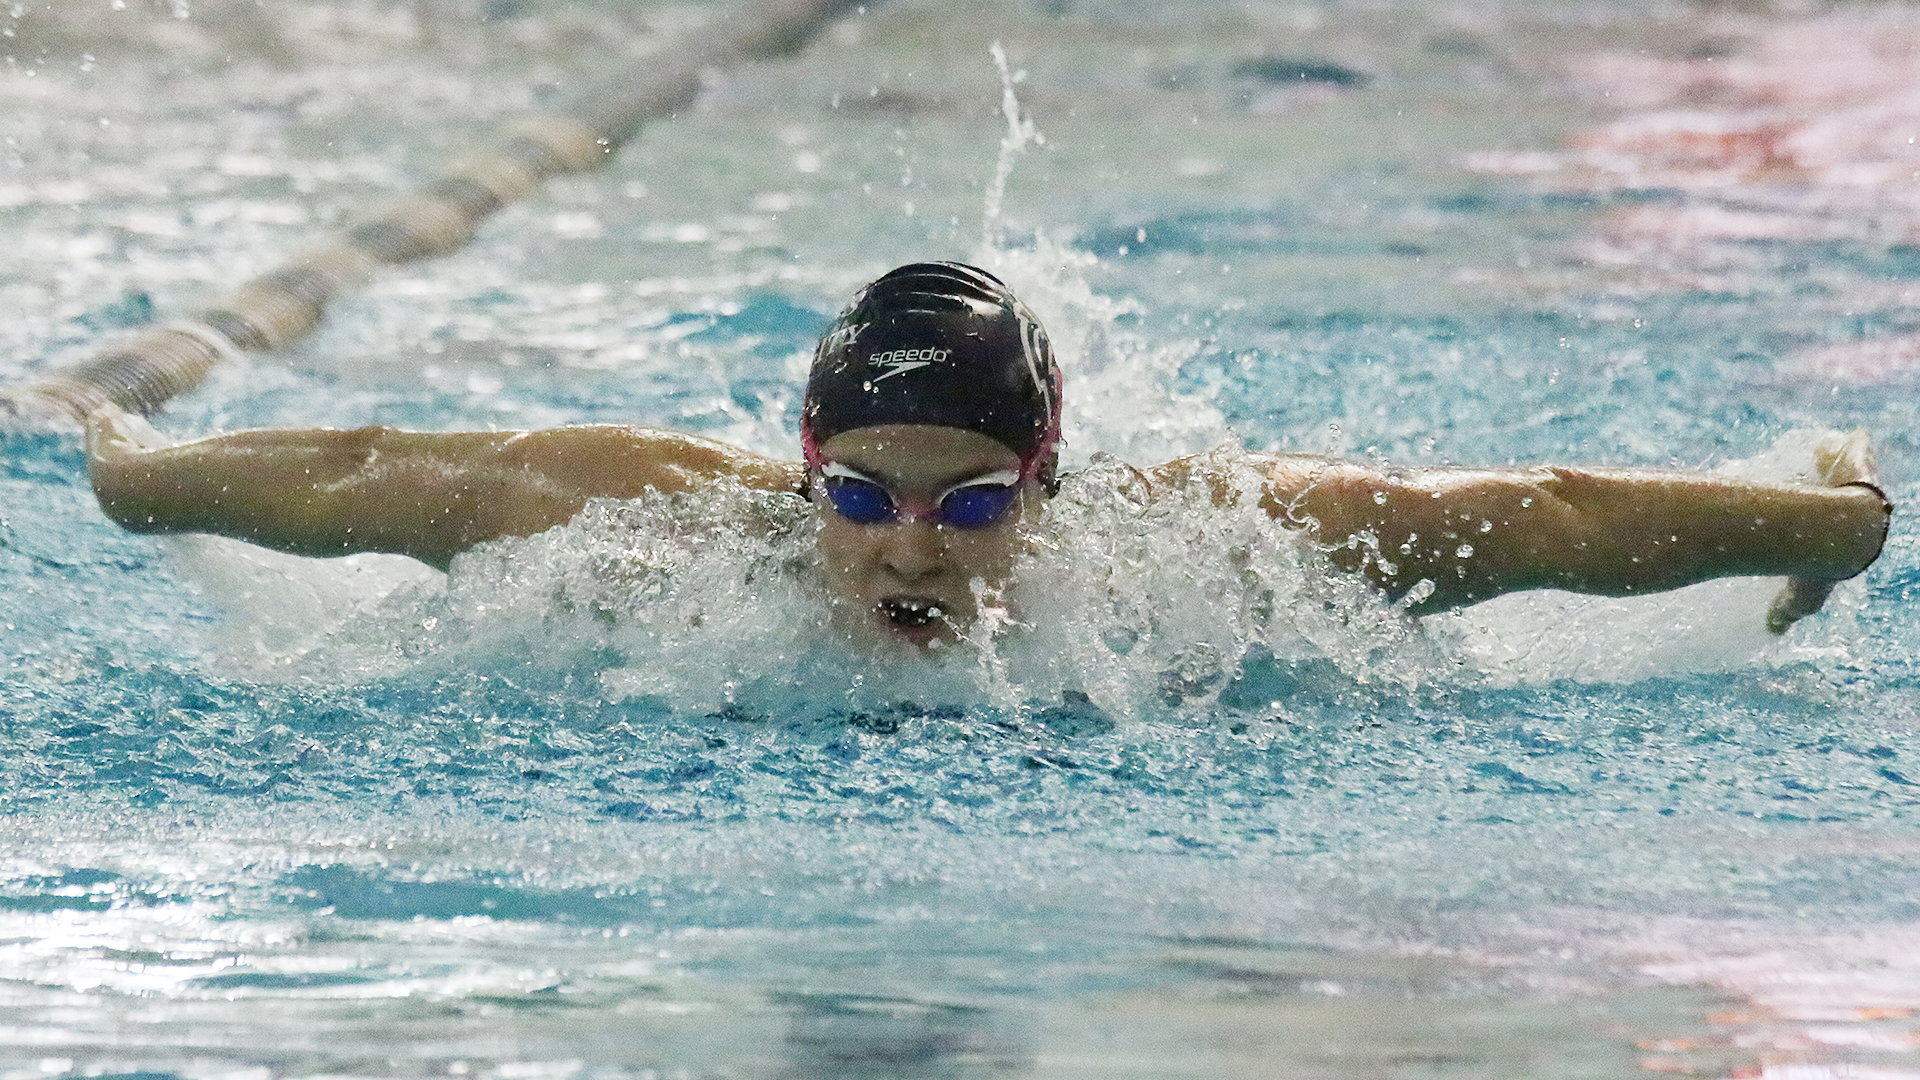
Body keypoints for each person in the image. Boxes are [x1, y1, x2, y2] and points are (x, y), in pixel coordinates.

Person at [87, 261, 1893, 649]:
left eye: (973, 505)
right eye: (860, 500)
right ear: (803, 477)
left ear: (1047, 489)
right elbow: (359, 466)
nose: (913, 553)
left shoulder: (1214, 549)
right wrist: (114, 461)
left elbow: (1539, 521)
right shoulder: (636, 522)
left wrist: (1835, 525)